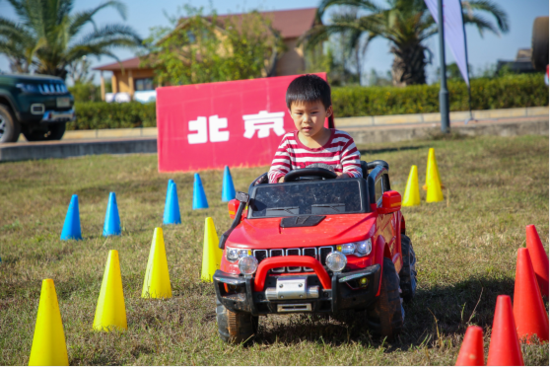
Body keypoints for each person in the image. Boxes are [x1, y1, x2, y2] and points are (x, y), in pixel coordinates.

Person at [268, 75, 362, 184]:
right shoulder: (288, 142)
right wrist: (282, 179)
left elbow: (356, 172)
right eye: (299, 113)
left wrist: (346, 176)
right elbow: (274, 173)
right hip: (299, 199)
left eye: (313, 113)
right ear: (290, 113)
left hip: (336, 199)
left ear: (328, 111)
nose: (306, 120)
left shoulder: (343, 141)